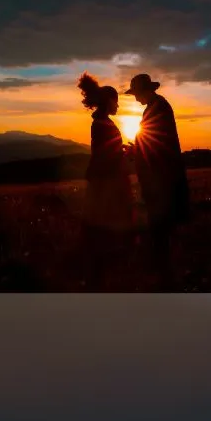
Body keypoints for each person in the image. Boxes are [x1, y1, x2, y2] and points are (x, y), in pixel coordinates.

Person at [124, 73, 190, 288]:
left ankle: (164, 270)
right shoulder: (157, 106)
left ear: (144, 91)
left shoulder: (157, 108)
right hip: (161, 175)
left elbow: (155, 143)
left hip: (161, 177)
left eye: (135, 93)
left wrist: (135, 149)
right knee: (162, 222)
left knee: (160, 222)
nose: (134, 98)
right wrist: (136, 149)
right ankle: (164, 265)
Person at [78, 72, 134, 288]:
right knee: (105, 221)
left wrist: (120, 150)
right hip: (107, 181)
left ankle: (100, 261)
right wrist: (125, 155)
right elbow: (105, 155)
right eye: (116, 102)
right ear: (108, 101)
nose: (118, 106)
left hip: (104, 179)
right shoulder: (103, 124)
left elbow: (105, 150)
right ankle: (101, 267)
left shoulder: (101, 122)